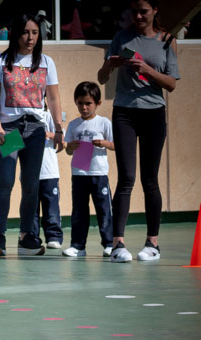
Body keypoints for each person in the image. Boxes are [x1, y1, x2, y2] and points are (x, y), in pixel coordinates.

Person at [97, 0, 179, 262]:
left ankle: (152, 243)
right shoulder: (121, 37)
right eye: (134, 12)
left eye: (144, 11)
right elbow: (101, 78)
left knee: (150, 179)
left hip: (154, 113)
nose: (139, 16)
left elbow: (171, 84)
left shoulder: (167, 40)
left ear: (156, 10)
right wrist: (111, 65)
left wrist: (147, 70)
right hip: (125, 112)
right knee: (126, 177)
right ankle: (117, 243)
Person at [0, 13, 64, 257]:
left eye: (34, 32)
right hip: (10, 129)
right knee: (6, 182)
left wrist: (59, 127)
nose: (29, 38)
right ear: (15, 33)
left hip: (36, 130)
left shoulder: (46, 62)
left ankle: (26, 235)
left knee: (31, 185)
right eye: (25, 32)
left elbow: (52, 97)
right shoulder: (0, 62)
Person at [62, 82, 114, 258]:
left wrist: (104, 143)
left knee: (104, 210)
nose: (84, 107)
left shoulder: (104, 123)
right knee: (79, 210)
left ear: (98, 103)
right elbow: (68, 150)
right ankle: (78, 246)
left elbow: (116, 145)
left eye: (88, 103)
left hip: (99, 174)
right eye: (80, 103)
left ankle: (109, 243)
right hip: (79, 174)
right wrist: (71, 146)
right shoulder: (73, 125)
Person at [34, 111, 63, 250]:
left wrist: (49, 134)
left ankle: (53, 236)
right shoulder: (20, 116)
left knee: (51, 207)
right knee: (31, 208)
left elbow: (62, 140)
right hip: (30, 173)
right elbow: (10, 146)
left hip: (49, 171)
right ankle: (32, 236)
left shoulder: (49, 116)